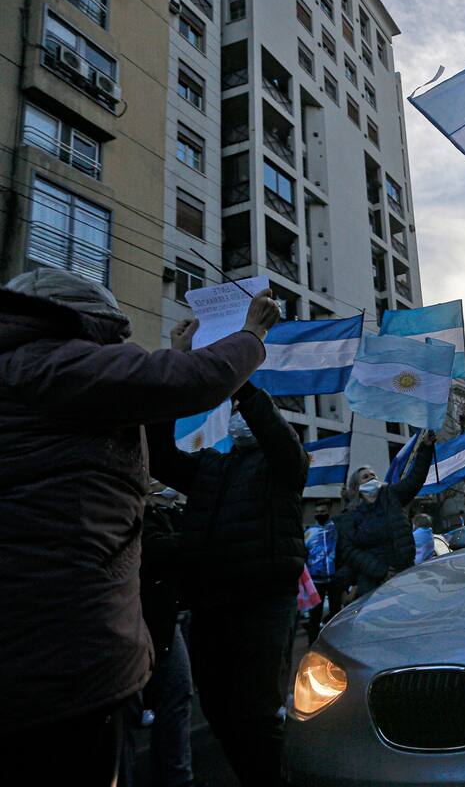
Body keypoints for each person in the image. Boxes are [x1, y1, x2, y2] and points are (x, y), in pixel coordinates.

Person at [0, 269, 274, 784]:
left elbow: (152, 405)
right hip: (62, 645)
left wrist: (182, 354)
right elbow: (184, 386)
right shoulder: (55, 360)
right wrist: (251, 336)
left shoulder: (30, 372)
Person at [146, 338, 308, 787]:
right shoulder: (211, 468)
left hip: (262, 603)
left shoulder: (285, 464)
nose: (239, 420)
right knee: (217, 708)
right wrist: (177, 368)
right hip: (210, 603)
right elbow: (160, 457)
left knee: (255, 710)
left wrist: (237, 380)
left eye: (245, 412)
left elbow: (275, 433)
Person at [120, 482, 194, 787]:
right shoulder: (131, 512)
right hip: (131, 618)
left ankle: (176, 777)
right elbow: (155, 550)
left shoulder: (166, 515)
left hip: (161, 617)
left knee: (177, 695)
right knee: (122, 710)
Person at [336, 433, 436, 595]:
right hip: (373, 581)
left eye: (373, 475)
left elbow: (415, 479)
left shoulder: (392, 495)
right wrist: (381, 571)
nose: (371, 477)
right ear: (356, 487)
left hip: (405, 573)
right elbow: (349, 551)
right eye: (365, 477)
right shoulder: (350, 515)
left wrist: (426, 448)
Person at [303, 498, 343, 645]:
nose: (320, 514)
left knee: (335, 614)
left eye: (323, 511)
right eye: (318, 512)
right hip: (315, 580)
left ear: (329, 512)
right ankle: (312, 645)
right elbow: (304, 554)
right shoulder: (309, 532)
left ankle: (335, 643)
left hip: (333, 579)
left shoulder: (335, 528)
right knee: (315, 616)